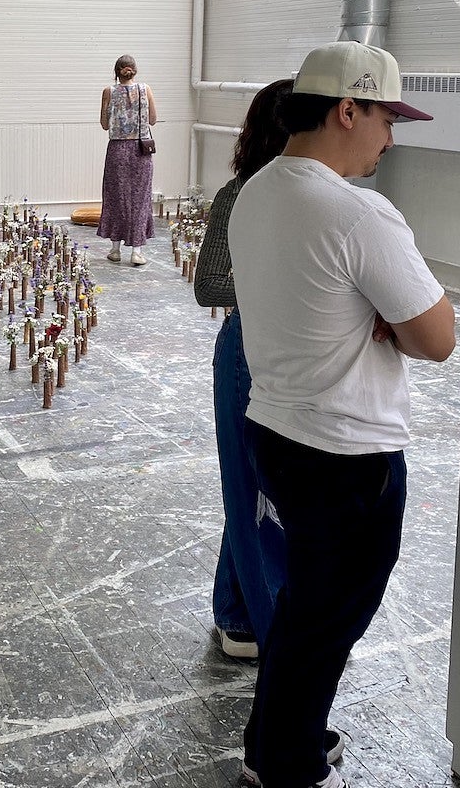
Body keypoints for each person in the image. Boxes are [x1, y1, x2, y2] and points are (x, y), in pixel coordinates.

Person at [228, 42, 454, 788]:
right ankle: (282, 762)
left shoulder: (257, 190)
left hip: (279, 428)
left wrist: (375, 313)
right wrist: (387, 316)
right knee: (329, 613)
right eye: (387, 118)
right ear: (347, 110)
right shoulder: (359, 213)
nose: (391, 138)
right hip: (346, 451)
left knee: (308, 602)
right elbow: (438, 338)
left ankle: (279, 731)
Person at [194, 79, 292, 665]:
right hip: (249, 352)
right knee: (249, 484)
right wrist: (280, 289)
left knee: (272, 486)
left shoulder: (317, 194)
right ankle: (250, 614)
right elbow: (208, 282)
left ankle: (239, 607)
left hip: (292, 353)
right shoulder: (240, 194)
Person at [98, 54, 157, 265]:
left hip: (117, 150)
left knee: (116, 197)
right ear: (134, 70)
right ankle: (137, 251)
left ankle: (115, 249)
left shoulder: (109, 92)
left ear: (117, 72)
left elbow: (104, 124)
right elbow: (153, 119)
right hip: (141, 150)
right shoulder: (145, 90)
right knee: (140, 199)